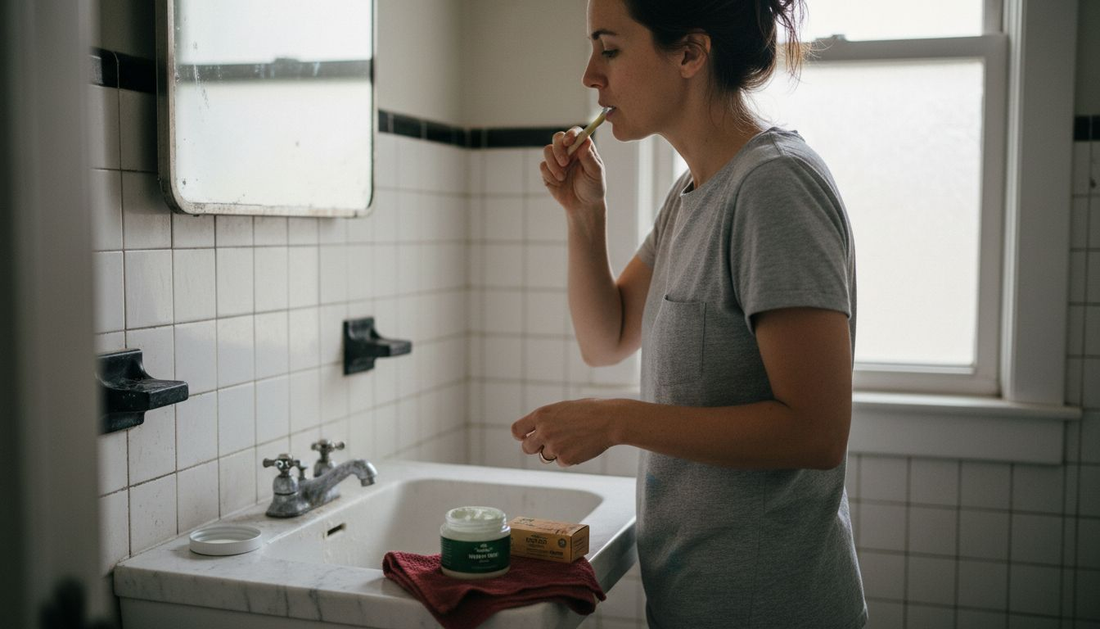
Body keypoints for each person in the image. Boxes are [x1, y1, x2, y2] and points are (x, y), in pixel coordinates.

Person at [509, 0, 867, 627]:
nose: (590, 75)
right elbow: (607, 338)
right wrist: (584, 215)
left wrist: (618, 420)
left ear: (690, 54)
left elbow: (816, 431)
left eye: (610, 48)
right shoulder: (692, 193)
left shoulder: (774, 187)